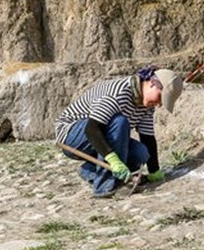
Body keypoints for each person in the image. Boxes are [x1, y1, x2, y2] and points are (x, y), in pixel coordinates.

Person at [55, 65, 183, 198]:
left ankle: (90, 170)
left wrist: (154, 171)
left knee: (141, 153)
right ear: (152, 84)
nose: (159, 104)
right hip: (73, 136)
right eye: (160, 98)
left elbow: (148, 138)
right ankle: (104, 187)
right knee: (120, 121)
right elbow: (91, 129)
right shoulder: (119, 93)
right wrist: (113, 160)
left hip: (98, 137)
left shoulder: (146, 106)